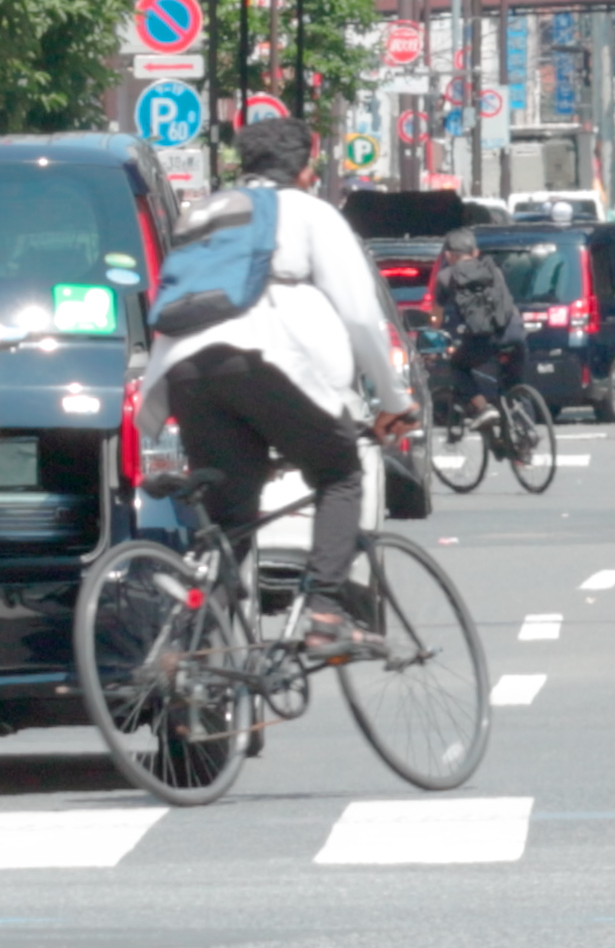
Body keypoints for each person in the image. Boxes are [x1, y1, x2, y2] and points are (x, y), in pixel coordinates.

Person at [137, 118, 417, 669]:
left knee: (232, 514)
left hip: (184, 371)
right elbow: (361, 315)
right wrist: (394, 399)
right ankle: (325, 614)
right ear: (306, 167)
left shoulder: (202, 214)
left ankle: (192, 646)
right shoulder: (310, 212)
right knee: (339, 472)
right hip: (262, 357)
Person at [431, 227, 524, 419]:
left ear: (448, 255)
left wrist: (432, 339)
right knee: (513, 386)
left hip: (483, 338)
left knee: (458, 366)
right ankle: (521, 414)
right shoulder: (494, 270)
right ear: (475, 252)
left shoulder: (445, 277)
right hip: (515, 331)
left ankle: (484, 408)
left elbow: (437, 316)